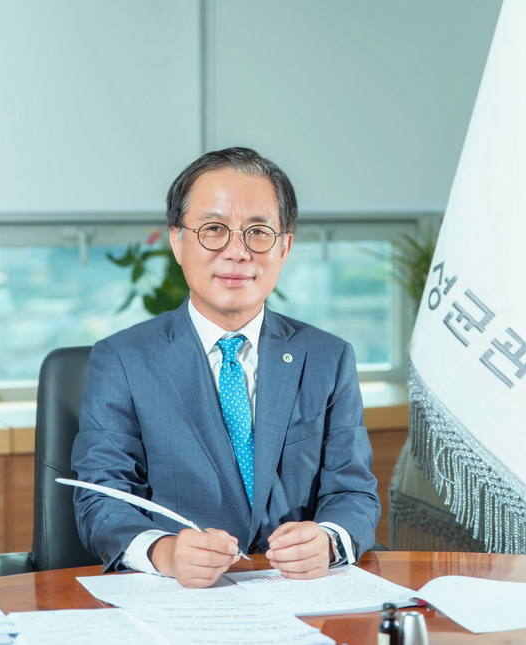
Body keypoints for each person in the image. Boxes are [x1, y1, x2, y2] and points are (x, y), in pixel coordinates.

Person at [71, 146, 381, 588]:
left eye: (258, 232)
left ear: (285, 247)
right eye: (214, 229)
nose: (237, 252)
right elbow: (101, 498)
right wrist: (164, 551)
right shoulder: (123, 359)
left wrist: (329, 540)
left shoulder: (327, 357)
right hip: (179, 598)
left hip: (300, 595)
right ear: (178, 241)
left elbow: (354, 492)